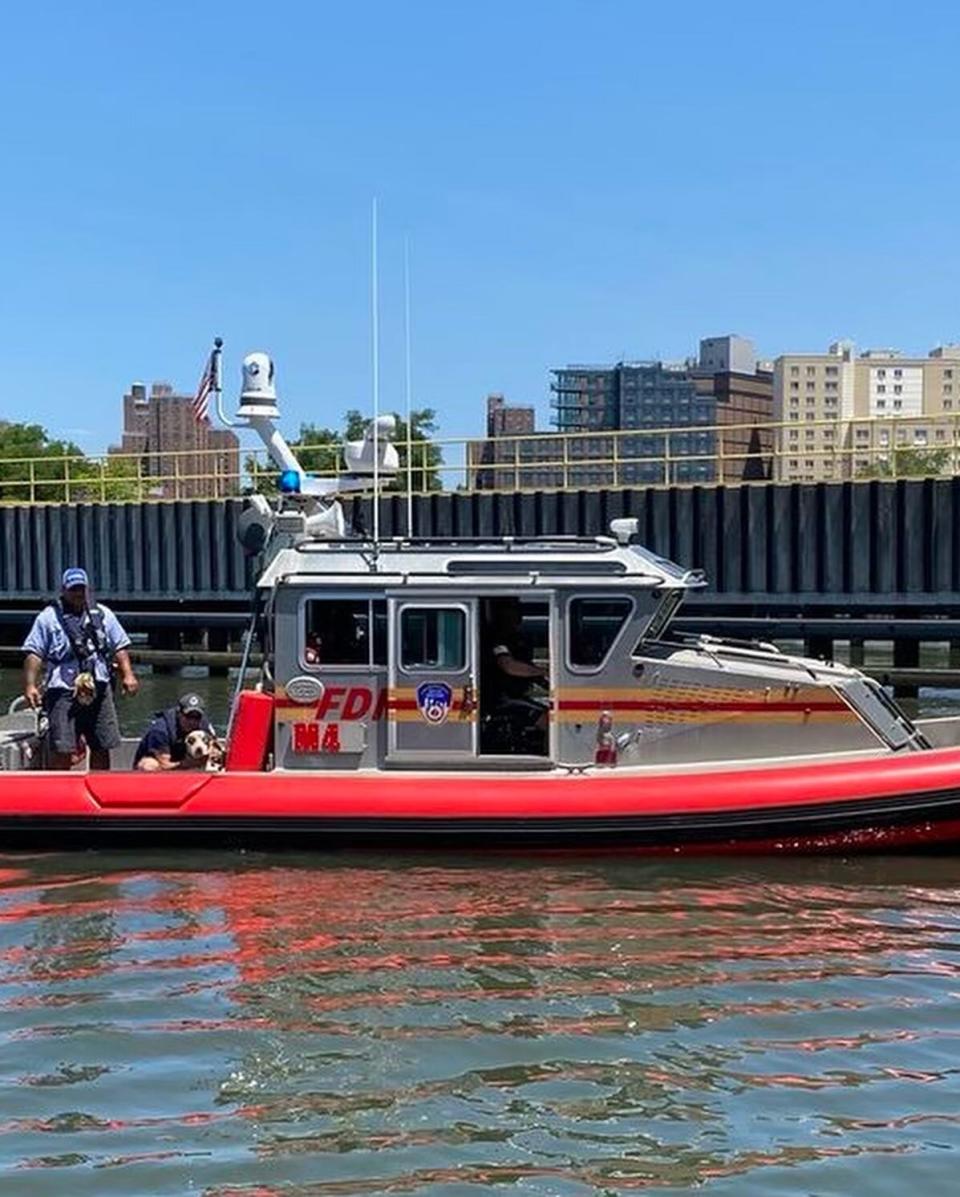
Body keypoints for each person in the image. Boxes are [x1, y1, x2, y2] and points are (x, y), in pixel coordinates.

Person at [22, 567, 139, 771]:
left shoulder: (103, 614)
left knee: (102, 743)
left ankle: (100, 789)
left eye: (81, 589)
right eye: (73, 589)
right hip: (63, 690)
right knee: (62, 747)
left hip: (98, 687)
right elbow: (34, 653)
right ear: (64, 590)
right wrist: (30, 685)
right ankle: (61, 793)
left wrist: (128, 674)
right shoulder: (48, 618)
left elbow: (119, 646)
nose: (77, 593)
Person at [133, 692, 217, 771]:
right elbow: (164, 765)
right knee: (149, 765)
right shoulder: (160, 730)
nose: (192, 721)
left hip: (184, 760)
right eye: (188, 716)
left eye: (196, 717)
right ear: (179, 713)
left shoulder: (203, 724)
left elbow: (215, 746)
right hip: (163, 764)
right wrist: (191, 764)